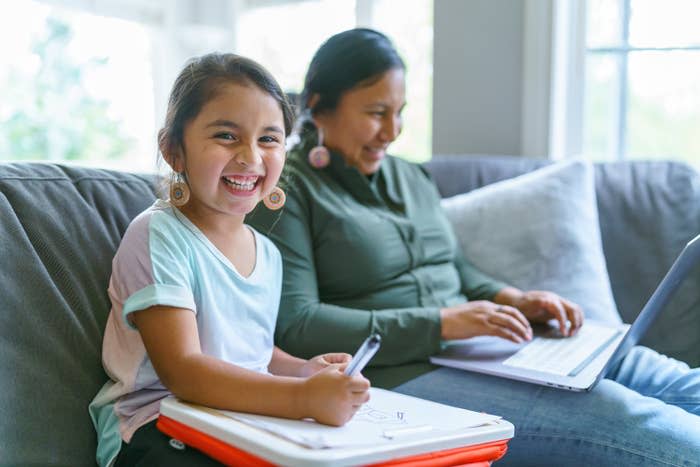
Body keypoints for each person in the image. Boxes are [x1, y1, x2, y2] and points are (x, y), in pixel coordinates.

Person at [247, 29, 700, 465]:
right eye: (376, 112)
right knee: (632, 420)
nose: (392, 131)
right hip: (400, 376)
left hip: (484, 354)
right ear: (317, 106)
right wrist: (443, 324)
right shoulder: (287, 191)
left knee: (678, 383)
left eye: (400, 112)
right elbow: (299, 326)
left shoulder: (410, 176)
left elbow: (456, 268)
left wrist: (514, 299)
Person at [89, 53, 370, 467]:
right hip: (156, 427)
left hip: (238, 420)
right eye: (226, 135)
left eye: (269, 139)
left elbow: (252, 352)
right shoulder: (158, 234)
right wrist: (302, 398)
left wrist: (303, 371)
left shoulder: (268, 254)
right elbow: (183, 371)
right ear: (173, 151)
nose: (251, 157)